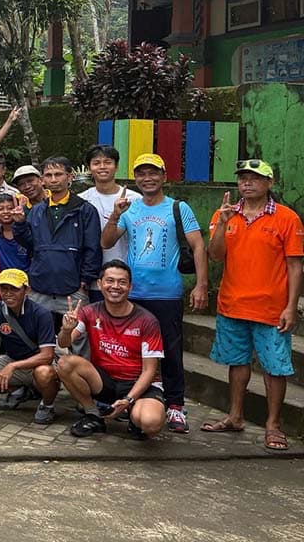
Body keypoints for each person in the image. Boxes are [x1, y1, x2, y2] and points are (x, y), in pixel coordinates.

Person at [100, 153, 208, 434]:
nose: (147, 178)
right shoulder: (131, 209)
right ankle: (134, 401)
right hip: (133, 295)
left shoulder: (178, 208)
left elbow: (198, 247)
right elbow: (106, 241)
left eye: (153, 173)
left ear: (164, 176)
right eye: (141, 174)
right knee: (135, 353)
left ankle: (174, 405)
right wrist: (115, 214)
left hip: (167, 294)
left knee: (171, 351)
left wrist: (200, 285)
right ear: (136, 178)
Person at [203, 159, 302, 451]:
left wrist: (291, 306)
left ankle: (273, 425)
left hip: (272, 308)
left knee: (275, 368)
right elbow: (216, 255)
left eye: (255, 178)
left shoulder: (287, 218)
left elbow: (295, 267)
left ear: (269, 183)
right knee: (237, 363)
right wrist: (222, 224)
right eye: (243, 178)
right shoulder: (226, 214)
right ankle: (235, 416)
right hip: (232, 304)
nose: (247, 183)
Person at [55, 262, 166, 440]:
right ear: (99, 284)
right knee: (64, 363)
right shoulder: (89, 311)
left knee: (150, 424)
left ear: (130, 287)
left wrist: (129, 399)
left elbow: (150, 371)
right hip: (105, 380)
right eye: (110, 281)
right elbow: (64, 342)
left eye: (122, 282)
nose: (115, 286)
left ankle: (133, 414)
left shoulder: (147, 320)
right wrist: (66, 329)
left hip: (138, 382)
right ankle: (93, 414)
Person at [12, 157, 101, 329]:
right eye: (49, 175)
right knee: (36, 335)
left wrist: (85, 280)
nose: (53, 179)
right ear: (43, 180)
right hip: (40, 285)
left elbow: (93, 248)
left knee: (78, 337)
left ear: (69, 177)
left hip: (73, 287)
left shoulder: (85, 209)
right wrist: (20, 224)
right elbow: (30, 244)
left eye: (58, 174)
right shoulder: (37, 210)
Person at [0, 269, 58, 424]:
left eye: (14, 289)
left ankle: (47, 405)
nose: (8, 294)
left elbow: (47, 355)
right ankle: (19, 390)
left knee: (44, 374)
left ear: (27, 290)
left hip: (38, 363)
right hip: (13, 359)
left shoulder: (41, 313)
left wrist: (12, 366)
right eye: (4, 289)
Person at [78, 145, 141, 268]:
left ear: (116, 166)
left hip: (126, 271)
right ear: (89, 168)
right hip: (92, 271)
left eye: (108, 162)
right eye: (96, 163)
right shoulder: (81, 200)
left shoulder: (134, 199)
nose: (102, 167)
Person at [0, 194, 29, 272]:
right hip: (4, 280)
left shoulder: (26, 232)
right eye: (0, 209)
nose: (5, 212)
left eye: (10, 208)